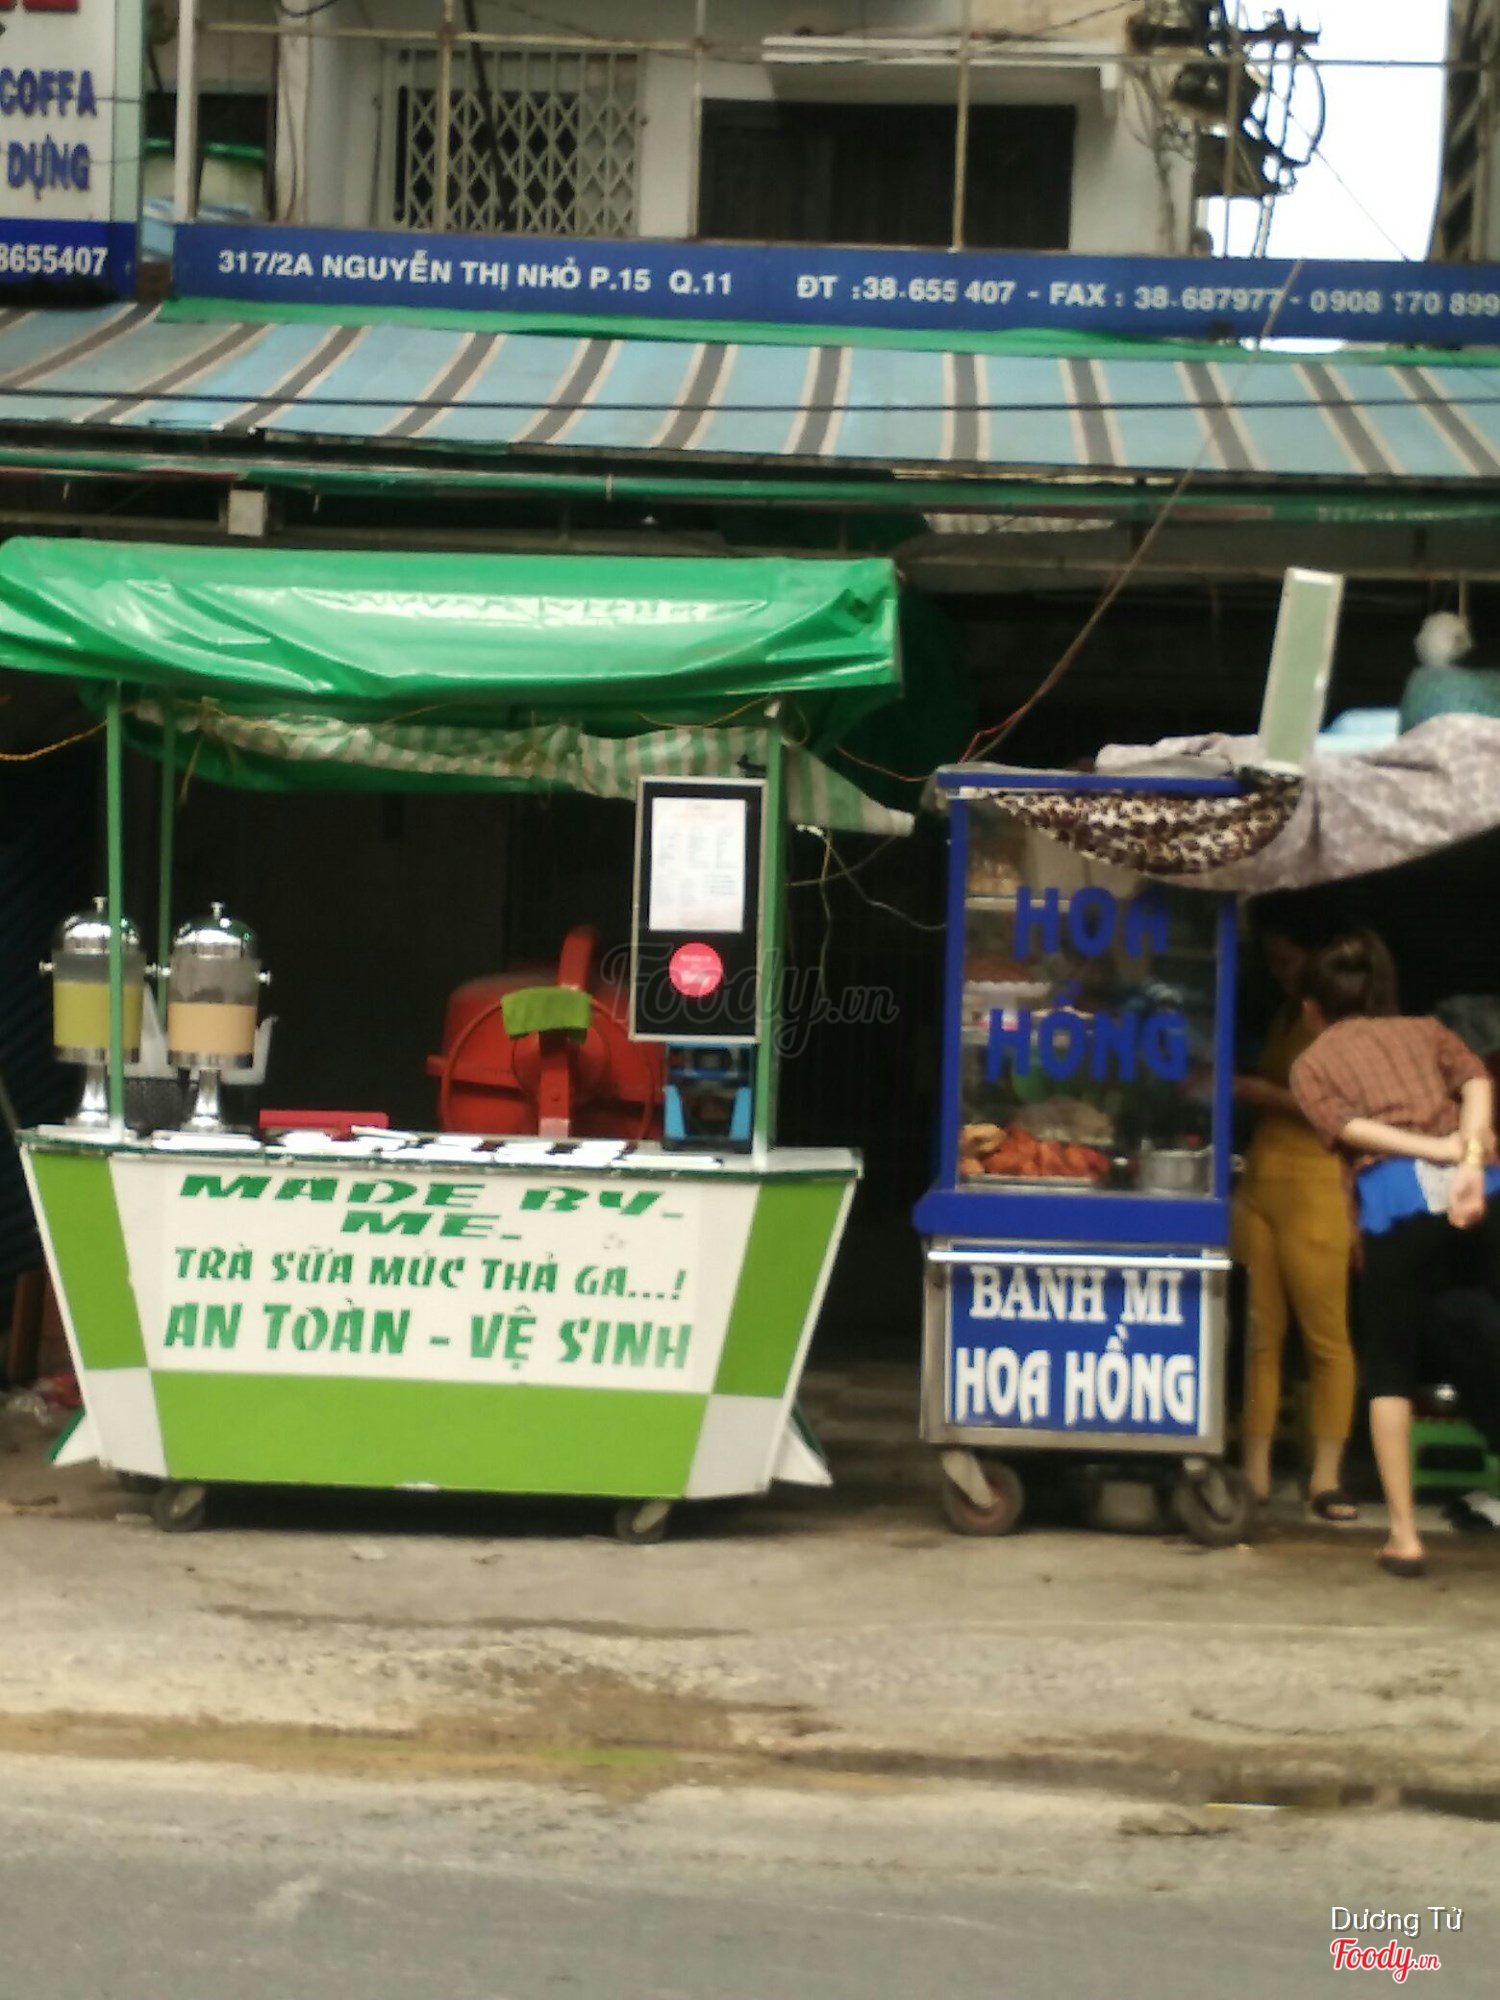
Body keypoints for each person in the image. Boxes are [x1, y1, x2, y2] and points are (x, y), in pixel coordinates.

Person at [1290, 931, 1500, 1578]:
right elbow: (1477, 1082)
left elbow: (1348, 1128)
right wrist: (1467, 1159)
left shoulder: (1312, 1063)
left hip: (1394, 1201)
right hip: (1485, 1190)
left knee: (1389, 1368)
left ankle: (1406, 1536)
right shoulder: (1426, 1031)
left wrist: (1434, 1153)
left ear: (1311, 1008)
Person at [1231, 906, 1358, 1520]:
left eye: (1289, 961)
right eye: (1273, 962)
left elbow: (1343, 1114)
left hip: (1315, 1186)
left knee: (1325, 1338)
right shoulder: (1287, 1013)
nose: (1281, 973)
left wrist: (1257, 1092)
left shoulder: (1344, 1022)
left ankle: (1326, 1478)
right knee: (1260, 1336)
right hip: (1261, 1181)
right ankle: (1253, 1473)